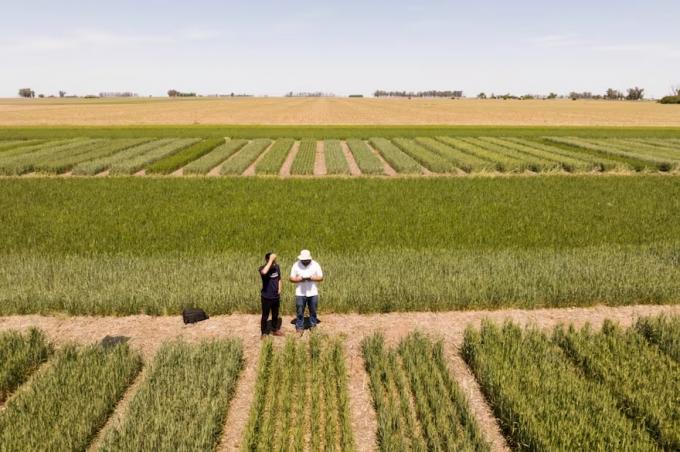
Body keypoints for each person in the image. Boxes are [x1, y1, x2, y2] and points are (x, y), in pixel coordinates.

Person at [289, 249, 323, 334]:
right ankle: (300, 327)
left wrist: (310, 278)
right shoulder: (296, 265)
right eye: (303, 260)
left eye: (306, 260)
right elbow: (291, 278)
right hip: (300, 293)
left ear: (309, 259)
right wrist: (299, 279)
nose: (304, 262)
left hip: (313, 292)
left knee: (313, 310)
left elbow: (321, 278)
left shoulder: (315, 264)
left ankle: (313, 325)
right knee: (300, 310)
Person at [259, 252, 283, 338]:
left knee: (275, 314)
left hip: (275, 296)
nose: (273, 261)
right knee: (265, 315)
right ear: (267, 260)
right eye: (271, 259)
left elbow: (279, 278)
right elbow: (264, 272)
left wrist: (280, 289)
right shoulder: (262, 268)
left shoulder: (277, 267)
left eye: (274, 259)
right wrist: (271, 259)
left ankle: (274, 329)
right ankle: (264, 332)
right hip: (266, 297)